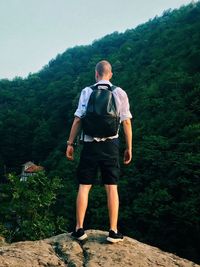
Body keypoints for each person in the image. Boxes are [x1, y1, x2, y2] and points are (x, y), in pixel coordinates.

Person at [66, 60, 132, 243]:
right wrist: (129, 147)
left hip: (89, 144)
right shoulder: (119, 92)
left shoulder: (87, 92)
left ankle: (79, 229)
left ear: (96, 74)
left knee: (84, 186)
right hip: (111, 145)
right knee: (111, 187)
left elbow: (78, 119)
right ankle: (113, 231)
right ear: (110, 74)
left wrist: (70, 143)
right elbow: (126, 122)